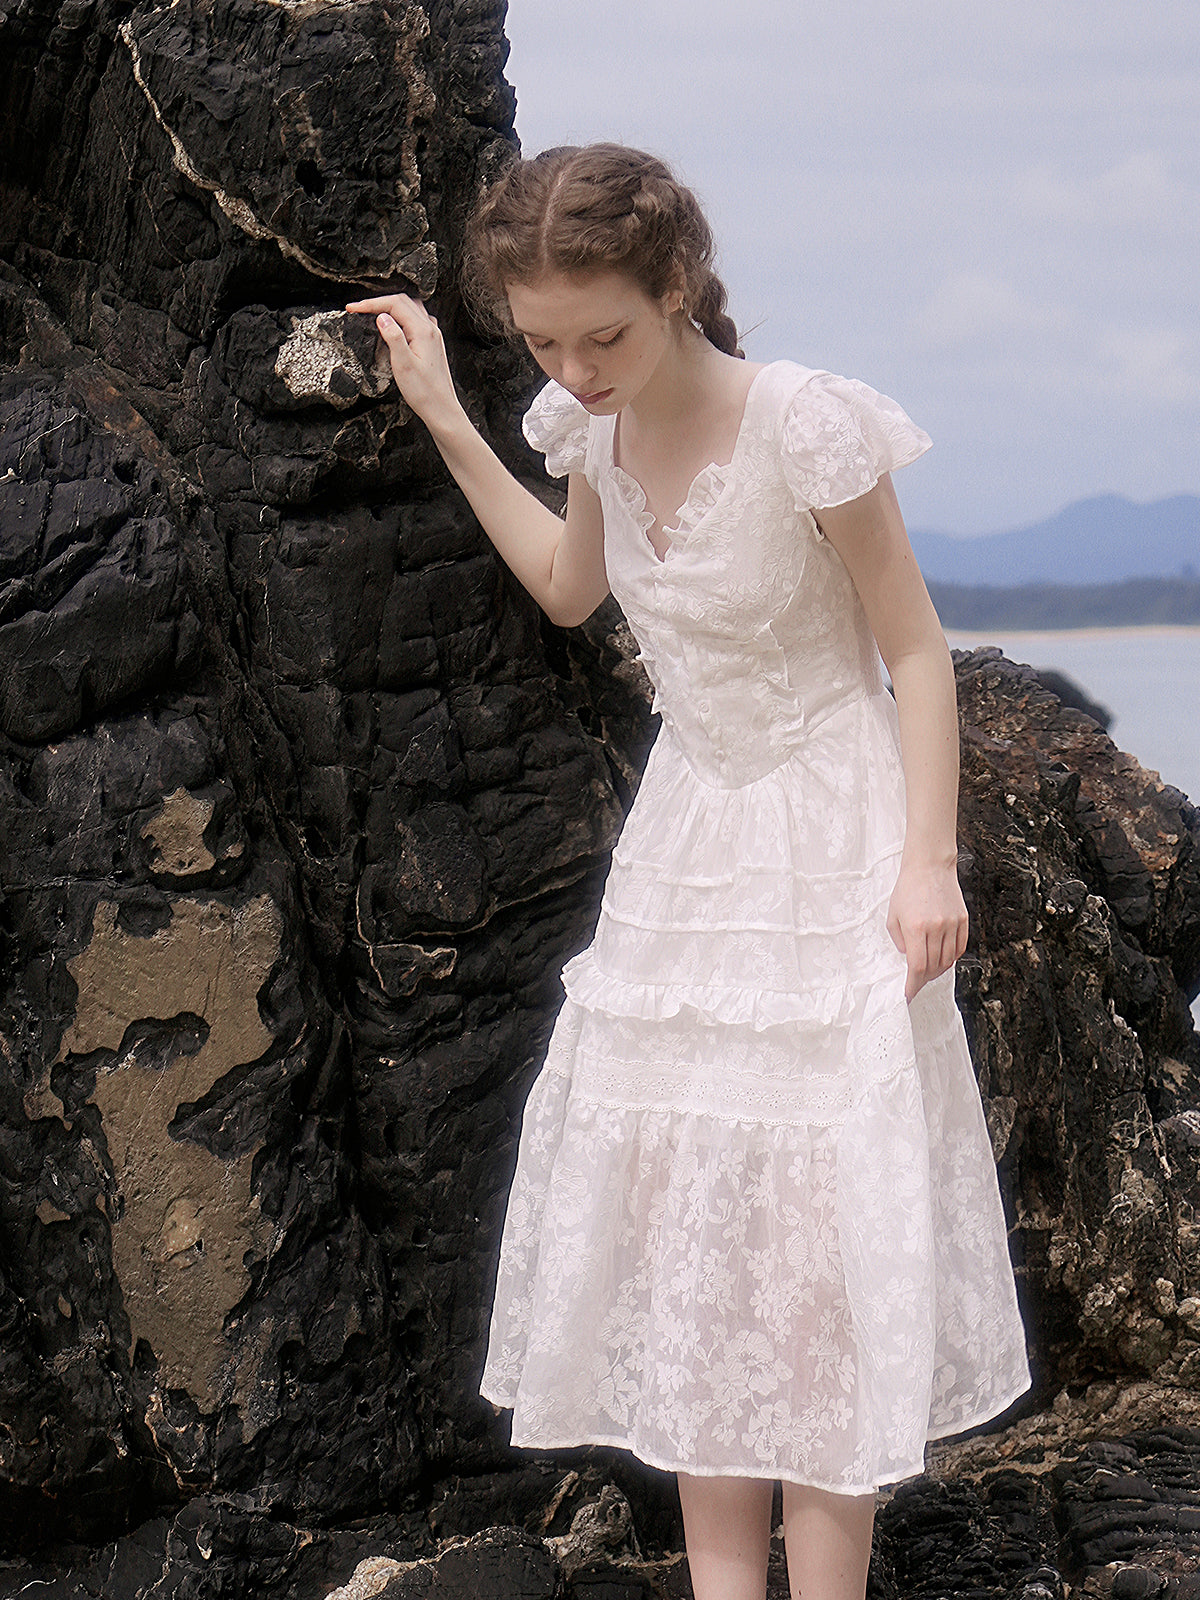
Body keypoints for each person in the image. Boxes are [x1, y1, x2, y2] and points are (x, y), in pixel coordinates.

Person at [348, 143, 1029, 1600]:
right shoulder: (577, 428)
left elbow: (915, 649)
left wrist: (927, 864)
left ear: (675, 288)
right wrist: (454, 418)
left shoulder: (807, 424)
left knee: (818, 1253)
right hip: (688, 846)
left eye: (606, 335)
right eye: (545, 342)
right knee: (704, 1243)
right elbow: (570, 588)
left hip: (834, 841)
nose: (581, 370)